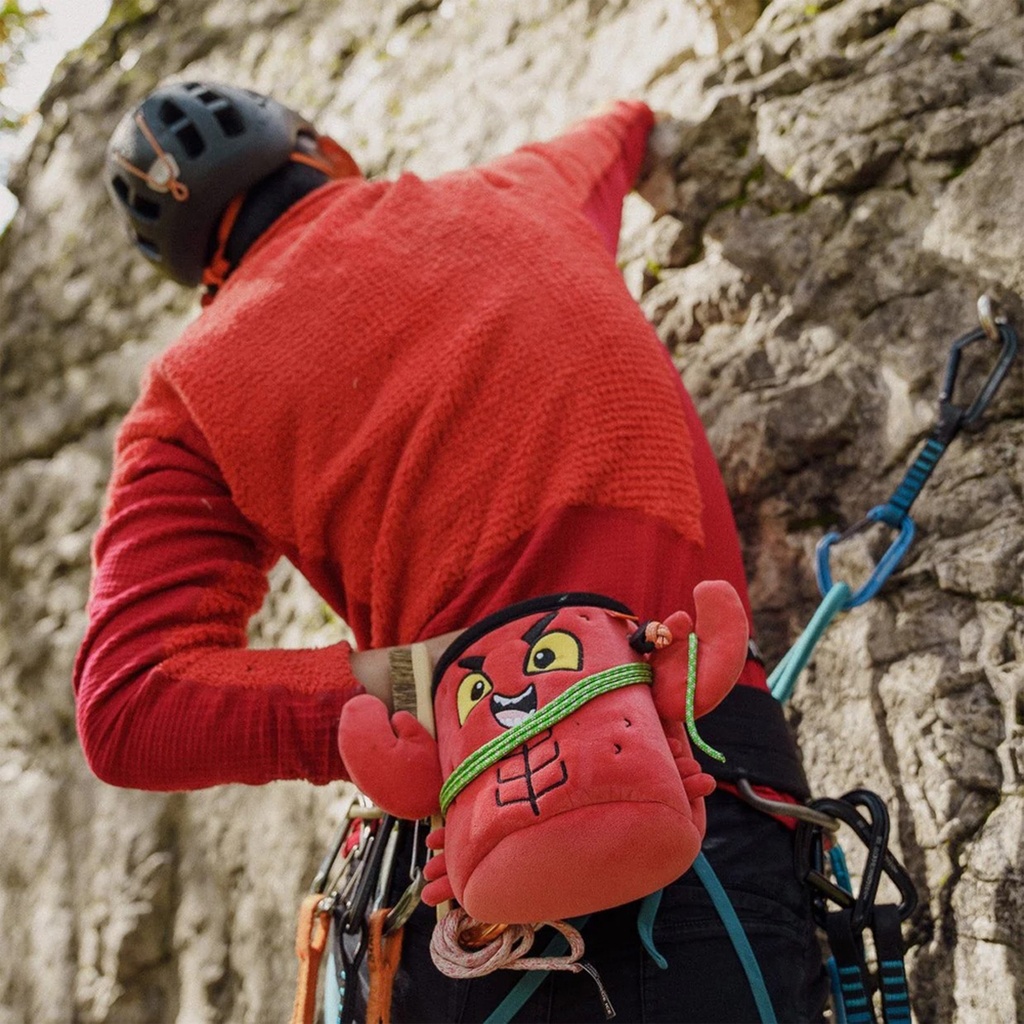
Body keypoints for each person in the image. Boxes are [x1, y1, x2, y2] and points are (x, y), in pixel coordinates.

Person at [76, 79, 827, 1022]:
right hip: (701, 764)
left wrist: (434, 690)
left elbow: (130, 700)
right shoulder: (522, 194)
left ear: (197, 274)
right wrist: (639, 126)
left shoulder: (191, 389)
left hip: (479, 841)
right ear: (320, 148)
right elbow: (616, 133)